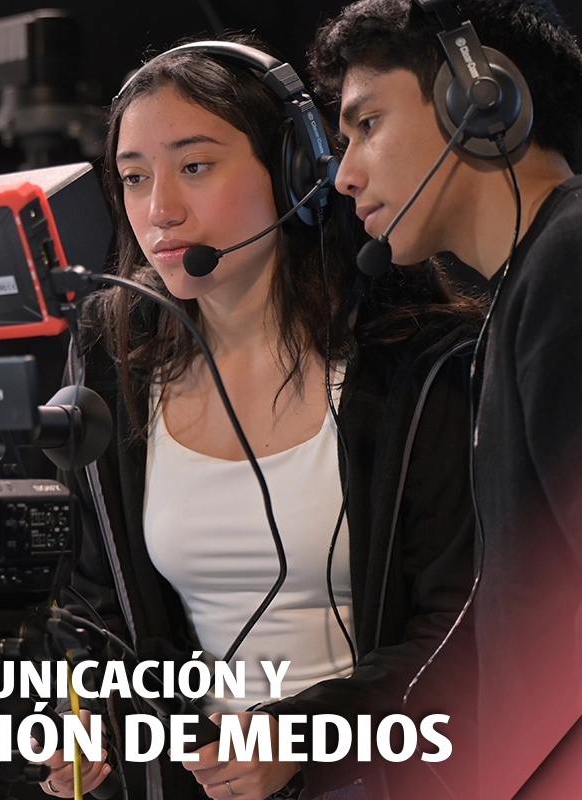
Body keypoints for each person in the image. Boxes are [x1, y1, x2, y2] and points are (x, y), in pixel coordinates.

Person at [41, 33, 483, 800]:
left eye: (195, 167)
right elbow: (94, 600)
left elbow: (467, 621)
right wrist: (83, 719)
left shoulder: (419, 361)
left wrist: (307, 737)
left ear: (296, 171)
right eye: (135, 177)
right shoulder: (112, 353)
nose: (159, 210)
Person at [309, 1, 582, 797]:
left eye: (367, 125)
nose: (344, 175)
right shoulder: (525, 289)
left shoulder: (569, 267)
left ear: (481, 99)